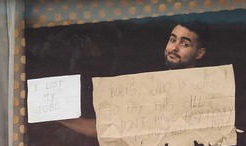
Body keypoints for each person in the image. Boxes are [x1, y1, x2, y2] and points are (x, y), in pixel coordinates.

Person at [59, 20, 209, 137]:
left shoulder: (207, 91)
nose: (174, 48)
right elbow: (111, 128)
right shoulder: (149, 86)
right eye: (172, 40)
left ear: (200, 53)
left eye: (184, 44)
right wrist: (56, 116)